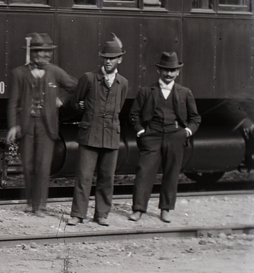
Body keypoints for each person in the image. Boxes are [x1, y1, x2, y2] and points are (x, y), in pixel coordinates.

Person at [6, 32, 77, 216]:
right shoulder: (19, 73)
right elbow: (13, 102)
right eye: (40, 51)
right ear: (32, 53)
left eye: (48, 52)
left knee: (43, 166)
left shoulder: (56, 72)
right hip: (26, 125)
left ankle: (41, 207)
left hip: (47, 126)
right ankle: (31, 203)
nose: (44, 55)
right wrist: (13, 125)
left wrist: (61, 99)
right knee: (28, 166)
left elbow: (75, 87)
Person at [67, 34, 131, 227]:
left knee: (107, 178)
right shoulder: (88, 78)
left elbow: (119, 107)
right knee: (84, 177)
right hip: (89, 135)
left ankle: (102, 214)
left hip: (111, 136)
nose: (108, 61)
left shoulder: (123, 83)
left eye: (112, 58)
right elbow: (75, 103)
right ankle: (78, 214)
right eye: (105, 58)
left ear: (120, 59)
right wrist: (82, 107)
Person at [130, 51, 201, 223]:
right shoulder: (146, 91)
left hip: (175, 136)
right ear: (159, 70)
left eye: (172, 70)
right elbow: (134, 114)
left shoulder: (185, 92)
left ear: (178, 72)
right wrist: (141, 131)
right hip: (151, 136)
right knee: (144, 172)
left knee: (172, 173)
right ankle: (138, 209)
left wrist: (186, 132)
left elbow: (195, 118)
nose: (169, 74)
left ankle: (166, 209)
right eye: (165, 70)